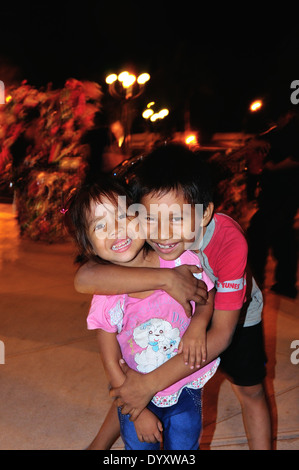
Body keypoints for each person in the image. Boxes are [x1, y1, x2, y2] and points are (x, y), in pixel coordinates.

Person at [75, 144, 272, 450]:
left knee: (250, 390)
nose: (163, 234)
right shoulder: (141, 236)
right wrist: (167, 279)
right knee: (139, 378)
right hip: (181, 311)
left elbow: (220, 335)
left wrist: (149, 384)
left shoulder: (228, 243)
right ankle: (99, 444)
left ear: (205, 212)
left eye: (176, 218)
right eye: (150, 218)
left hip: (234, 311)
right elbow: (85, 277)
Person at [66, 174, 218, 450]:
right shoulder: (106, 295)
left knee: (186, 445)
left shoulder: (179, 260)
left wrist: (199, 324)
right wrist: (136, 411)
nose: (115, 231)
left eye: (123, 217)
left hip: (185, 385)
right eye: (100, 225)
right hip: (136, 396)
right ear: (88, 245)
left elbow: (205, 294)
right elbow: (111, 361)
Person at [247, 111, 299, 298]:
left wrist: (273, 168)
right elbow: (254, 144)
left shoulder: (292, 133)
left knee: (259, 232)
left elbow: (295, 159)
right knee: (281, 236)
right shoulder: (277, 134)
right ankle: (284, 283)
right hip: (278, 194)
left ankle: (259, 279)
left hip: (284, 194)